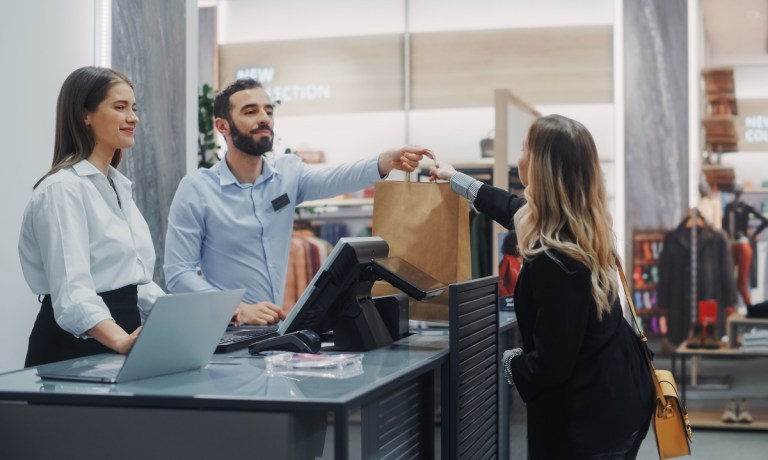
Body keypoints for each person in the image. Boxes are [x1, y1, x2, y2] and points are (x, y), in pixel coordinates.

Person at [430, 114, 654, 459]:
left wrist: (507, 361)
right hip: (619, 396)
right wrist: (457, 179)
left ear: (540, 167)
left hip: (592, 421)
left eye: (524, 148)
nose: (519, 156)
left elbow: (551, 366)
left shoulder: (556, 259)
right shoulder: (577, 227)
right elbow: (512, 208)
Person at [164, 78, 431, 325]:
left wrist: (383, 162)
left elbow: (334, 178)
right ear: (222, 126)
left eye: (268, 111)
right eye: (250, 111)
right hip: (220, 329)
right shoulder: (197, 189)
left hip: (271, 327)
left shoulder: (288, 174)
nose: (264, 119)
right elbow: (177, 274)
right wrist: (236, 309)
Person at [19, 67, 165, 367]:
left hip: (120, 335)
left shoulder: (116, 186)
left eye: (134, 108)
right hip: (76, 348)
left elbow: (133, 282)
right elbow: (73, 293)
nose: (134, 118)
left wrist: (184, 318)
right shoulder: (62, 189)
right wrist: (120, 340)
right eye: (120, 107)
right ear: (85, 114)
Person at [722, 182, 768, 306]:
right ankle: (731, 308)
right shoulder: (728, 207)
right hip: (730, 245)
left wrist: (751, 235)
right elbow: (724, 227)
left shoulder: (746, 206)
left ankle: (750, 309)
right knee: (729, 281)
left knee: (741, 283)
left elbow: (764, 221)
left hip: (742, 244)